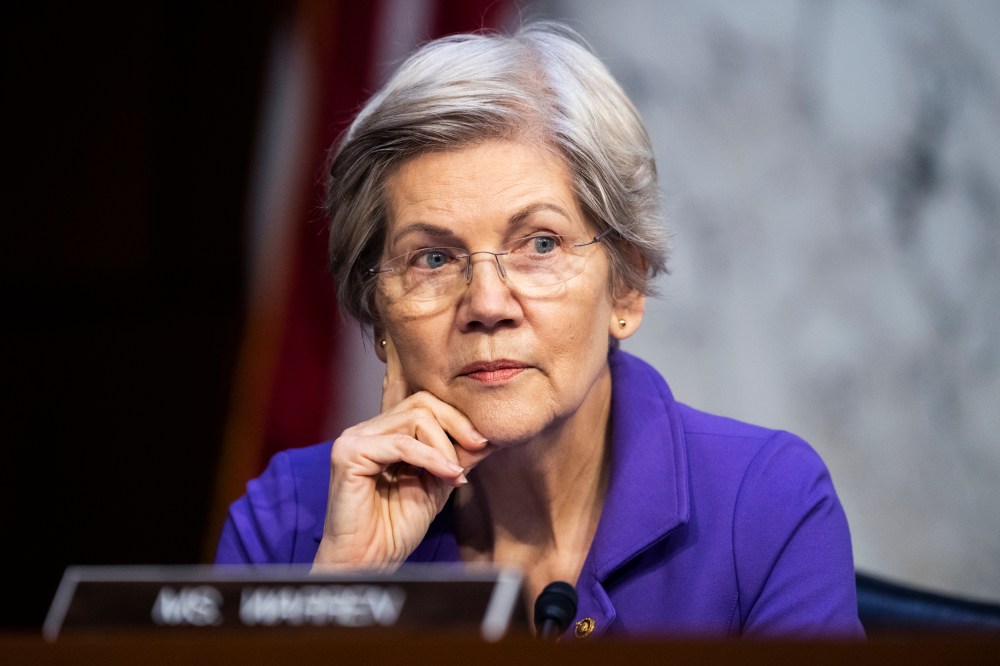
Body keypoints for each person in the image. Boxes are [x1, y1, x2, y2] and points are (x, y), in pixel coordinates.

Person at [216, 22, 864, 640]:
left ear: (626, 288)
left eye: (541, 243)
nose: (488, 304)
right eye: (433, 258)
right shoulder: (290, 522)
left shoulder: (764, 505)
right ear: (377, 311)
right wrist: (345, 593)